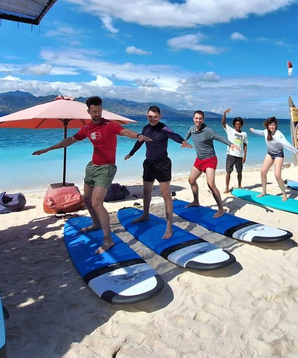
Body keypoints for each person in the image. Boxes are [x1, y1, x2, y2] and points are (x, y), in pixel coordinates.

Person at [33, 96, 150, 254]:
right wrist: (49, 149)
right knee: (86, 199)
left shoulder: (110, 125)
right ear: (88, 111)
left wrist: (138, 136)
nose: (97, 114)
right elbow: (70, 140)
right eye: (94, 111)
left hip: (106, 168)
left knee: (96, 203)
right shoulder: (87, 129)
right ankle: (96, 224)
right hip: (92, 167)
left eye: (100, 111)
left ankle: (108, 240)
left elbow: (125, 131)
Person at [124, 105, 192, 239]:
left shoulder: (164, 128)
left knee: (165, 195)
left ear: (159, 117)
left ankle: (169, 226)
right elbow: (139, 142)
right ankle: (145, 214)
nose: (153, 119)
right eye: (150, 116)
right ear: (147, 116)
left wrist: (183, 141)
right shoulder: (145, 129)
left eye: (155, 117)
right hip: (148, 164)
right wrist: (131, 153)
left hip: (163, 165)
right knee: (146, 192)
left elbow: (174, 135)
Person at [184, 110, 239, 217]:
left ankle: (220, 209)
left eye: (200, 118)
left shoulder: (208, 130)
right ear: (193, 119)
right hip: (199, 160)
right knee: (191, 180)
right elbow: (189, 133)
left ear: (203, 119)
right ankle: (196, 201)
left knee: (211, 184)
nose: (198, 120)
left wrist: (230, 144)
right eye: (196, 118)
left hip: (210, 160)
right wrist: (184, 141)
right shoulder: (192, 128)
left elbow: (219, 137)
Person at [249, 117, 298, 201]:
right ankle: (264, 192)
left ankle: (284, 194)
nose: (271, 127)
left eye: (273, 125)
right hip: (270, 154)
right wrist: (253, 130)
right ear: (267, 126)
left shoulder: (279, 134)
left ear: (275, 126)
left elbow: (286, 144)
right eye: (270, 125)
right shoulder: (266, 132)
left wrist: (297, 151)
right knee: (263, 172)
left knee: (277, 175)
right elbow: (260, 132)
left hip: (278, 155)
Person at [221, 108, 248, 193]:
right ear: (234, 125)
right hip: (230, 155)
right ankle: (227, 188)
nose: (238, 126)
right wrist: (224, 113)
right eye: (236, 124)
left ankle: (239, 185)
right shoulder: (230, 130)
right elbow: (223, 123)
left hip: (239, 156)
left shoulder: (244, 134)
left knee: (239, 172)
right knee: (228, 172)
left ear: (241, 125)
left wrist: (244, 156)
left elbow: (245, 145)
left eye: (239, 124)